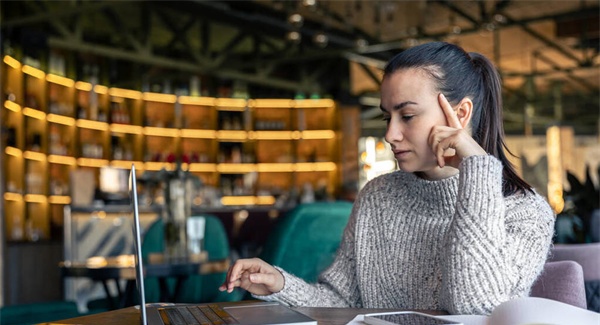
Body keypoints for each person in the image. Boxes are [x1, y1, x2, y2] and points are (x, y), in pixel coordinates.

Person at [219, 41, 555, 315]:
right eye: (387, 117)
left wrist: (477, 170)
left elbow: (478, 308)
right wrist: (281, 285)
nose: (390, 134)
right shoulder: (378, 195)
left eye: (407, 115)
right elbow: (343, 304)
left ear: (461, 114)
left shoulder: (526, 213)